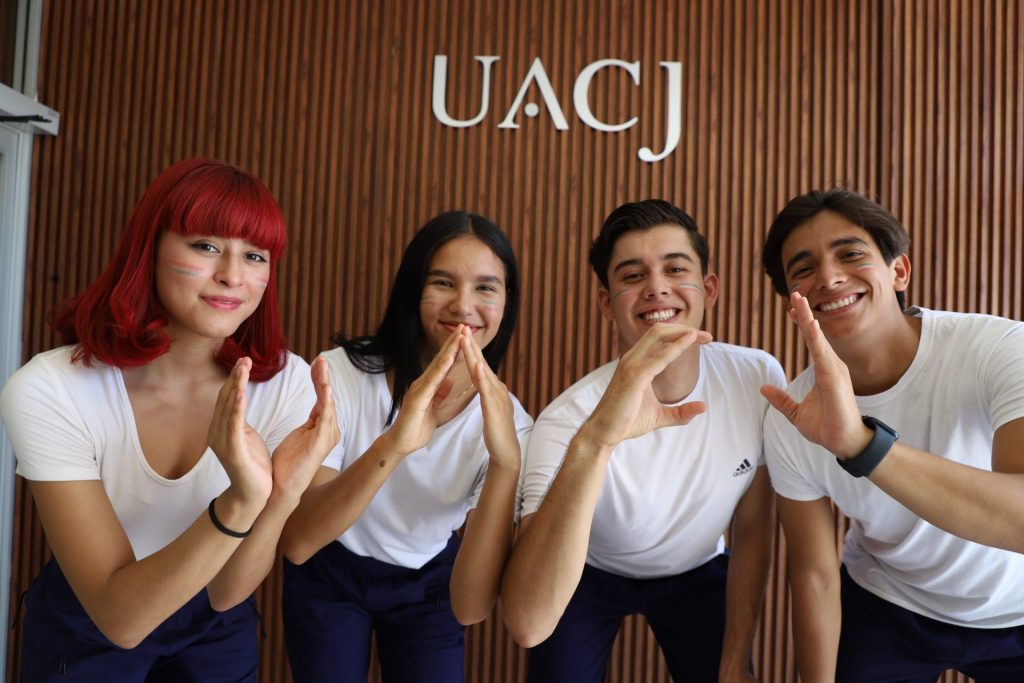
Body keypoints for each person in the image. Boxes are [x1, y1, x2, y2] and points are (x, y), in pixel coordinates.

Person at [0, 158, 339, 682]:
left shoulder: (286, 384)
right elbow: (122, 621)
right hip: (92, 619)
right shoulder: (52, 388)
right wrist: (242, 500)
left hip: (215, 629)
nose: (232, 275)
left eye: (255, 255)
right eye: (205, 246)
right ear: (150, 249)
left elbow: (227, 592)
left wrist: (281, 497)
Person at [502, 199, 784, 682]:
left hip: (699, 568)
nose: (656, 287)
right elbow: (525, 621)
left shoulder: (755, 377)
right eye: (632, 276)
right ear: (605, 302)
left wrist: (737, 655)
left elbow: (754, 526)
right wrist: (595, 442)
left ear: (709, 289)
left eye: (675, 269)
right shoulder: (566, 419)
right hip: (587, 571)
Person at [760, 188, 1024, 682]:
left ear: (899, 271)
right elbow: (815, 574)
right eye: (804, 269)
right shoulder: (791, 414)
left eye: (850, 254)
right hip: (890, 603)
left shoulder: (999, 348)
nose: (829, 278)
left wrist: (862, 446)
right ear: (792, 301)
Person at [278, 210, 532, 682]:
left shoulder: (511, 425)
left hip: (430, 583)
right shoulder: (340, 375)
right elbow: (298, 543)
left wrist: (504, 463)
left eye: (486, 287)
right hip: (329, 570)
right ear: (413, 289)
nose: (463, 305)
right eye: (443, 282)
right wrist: (396, 443)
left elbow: (471, 606)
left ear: (507, 303)